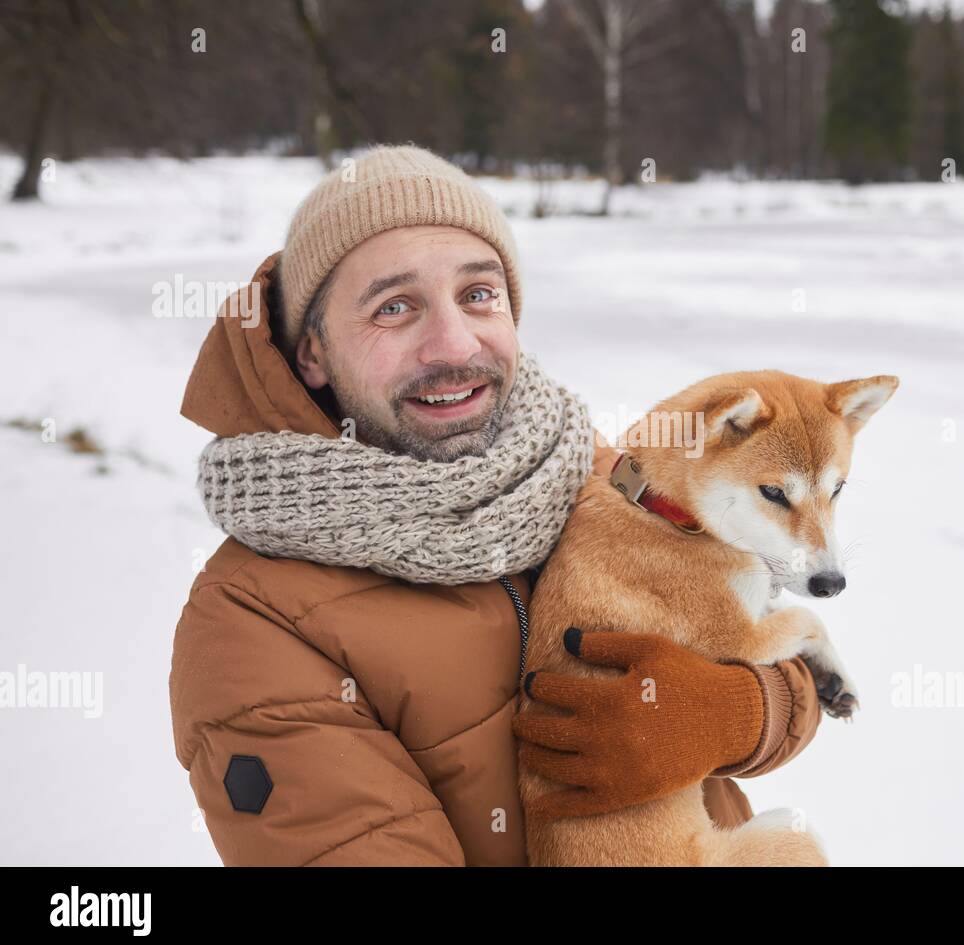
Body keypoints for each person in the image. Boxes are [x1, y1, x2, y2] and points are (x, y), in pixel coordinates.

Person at [168, 144, 823, 865]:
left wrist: (740, 716)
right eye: (394, 307)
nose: (453, 344)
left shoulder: (595, 473)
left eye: (478, 294)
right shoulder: (250, 625)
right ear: (312, 351)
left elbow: (787, 663)